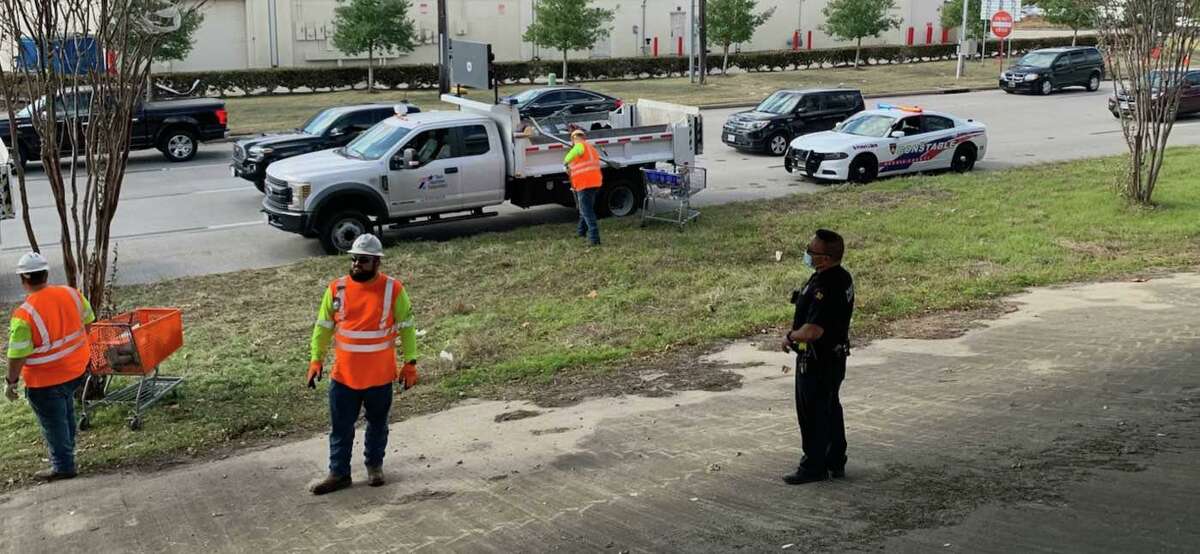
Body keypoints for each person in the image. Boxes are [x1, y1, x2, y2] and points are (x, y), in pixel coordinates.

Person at [306, 234, 418, 495]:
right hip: (344, 377)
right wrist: (315, 359)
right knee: (341, 428)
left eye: (364, 260)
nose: (356, 264)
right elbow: (322, 327)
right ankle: (339, 473)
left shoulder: (393, 290)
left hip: (379, 377)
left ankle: (374, 467)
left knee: (378, 425)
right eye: (354, 258)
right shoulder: (336, 289)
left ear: (377, 262)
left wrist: (410, 362)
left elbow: (407, 327)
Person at [5, 252, 95, 482]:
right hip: (75, 370)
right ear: (46, 274)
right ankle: (67, 452)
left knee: (54, 423)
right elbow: (88, 322)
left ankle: (64, 466)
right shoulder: (71, 294)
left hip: (44, 381)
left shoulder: (24, 315)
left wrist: (11, 383)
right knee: (65, 414)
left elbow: (17, 356)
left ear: (24, 279)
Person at [781, 229, 855, 485]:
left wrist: (790, 337)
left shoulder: (827, 286)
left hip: (818, 360)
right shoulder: (840, 277)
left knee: (813, 413)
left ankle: (814, 465)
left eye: (811, 251)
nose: (807, 254)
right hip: (833, 359)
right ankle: (835, 459)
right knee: (830, 408)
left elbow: (813, 331)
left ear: (825, 258)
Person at [563, 129, 603, 246]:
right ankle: (581, 232)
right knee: (585, 209)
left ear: (574, 138)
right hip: (594, 182)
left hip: (585, 183)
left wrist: (565, 161)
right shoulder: (591, 148)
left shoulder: (580, 145)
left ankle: (594, 239)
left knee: (587, 211)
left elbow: (574, 154)